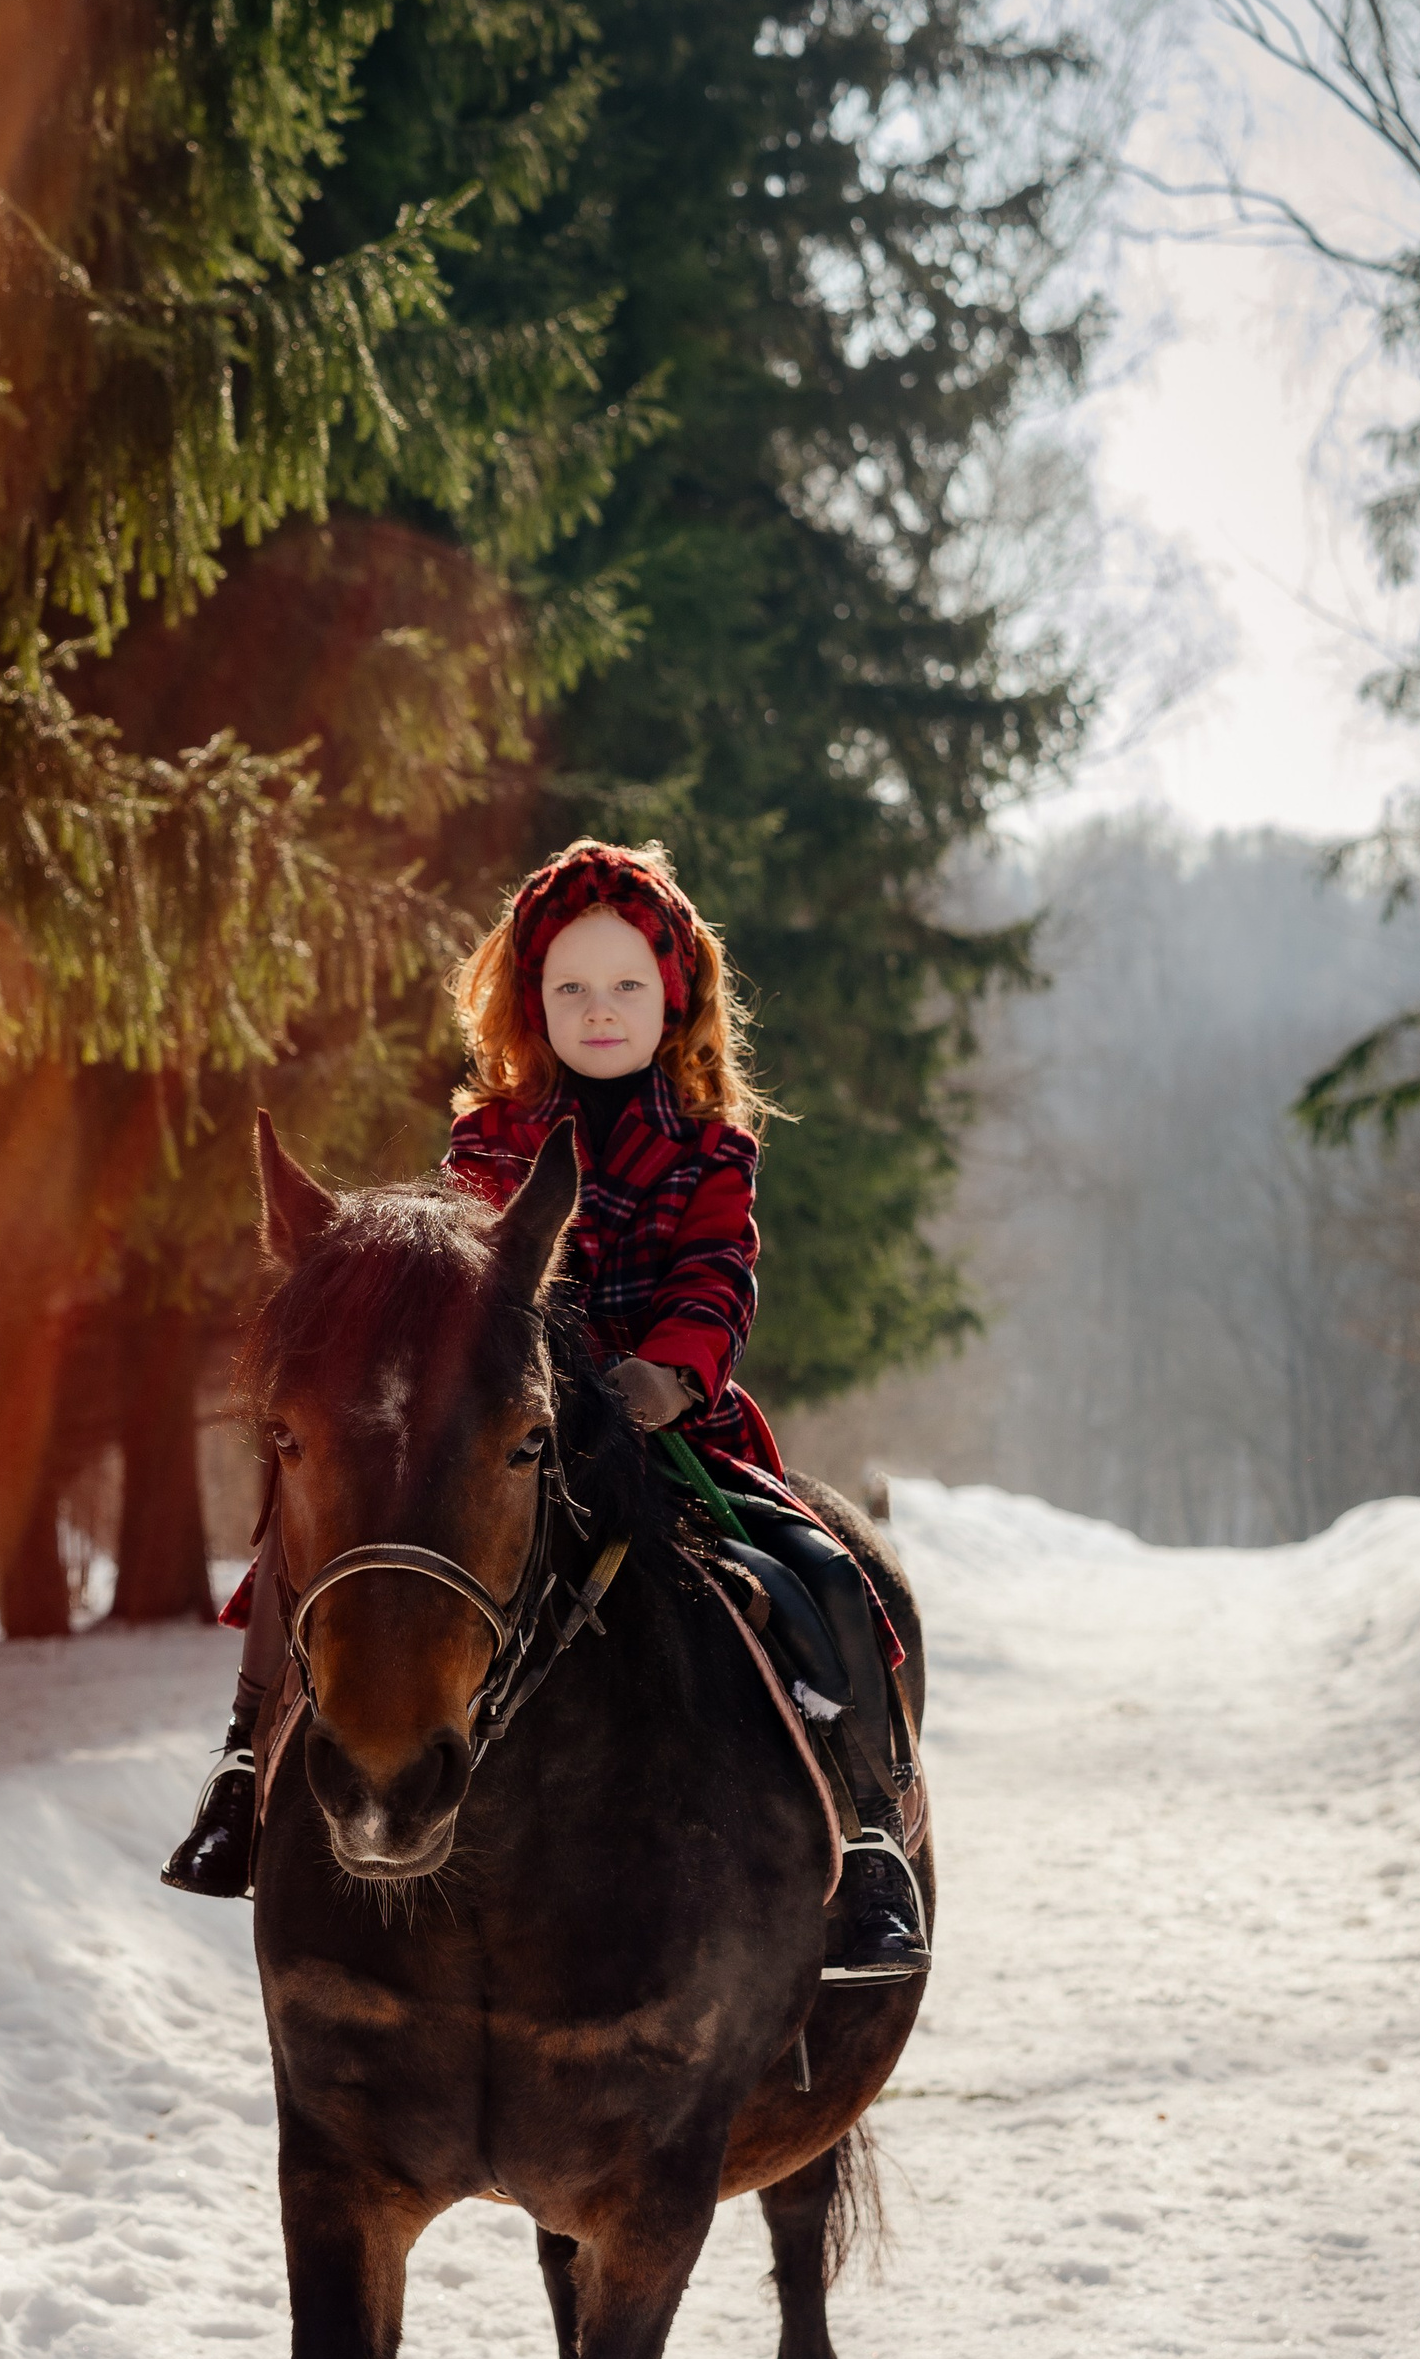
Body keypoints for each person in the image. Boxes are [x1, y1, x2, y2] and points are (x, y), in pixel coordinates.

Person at [160, 839, 928, 1981]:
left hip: (667, 1429)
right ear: (532, 1004)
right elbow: (454, 1293)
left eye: (625, 984)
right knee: (297, 1540)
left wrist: (670, 1373)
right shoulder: (487, 1138)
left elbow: (717, 1274)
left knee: (820, 1571)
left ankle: (865, 1834)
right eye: (570, 987)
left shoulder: (713, 1148)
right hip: (498, 1430)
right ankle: (239, 1768)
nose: (598, 1008)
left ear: (673, 998)